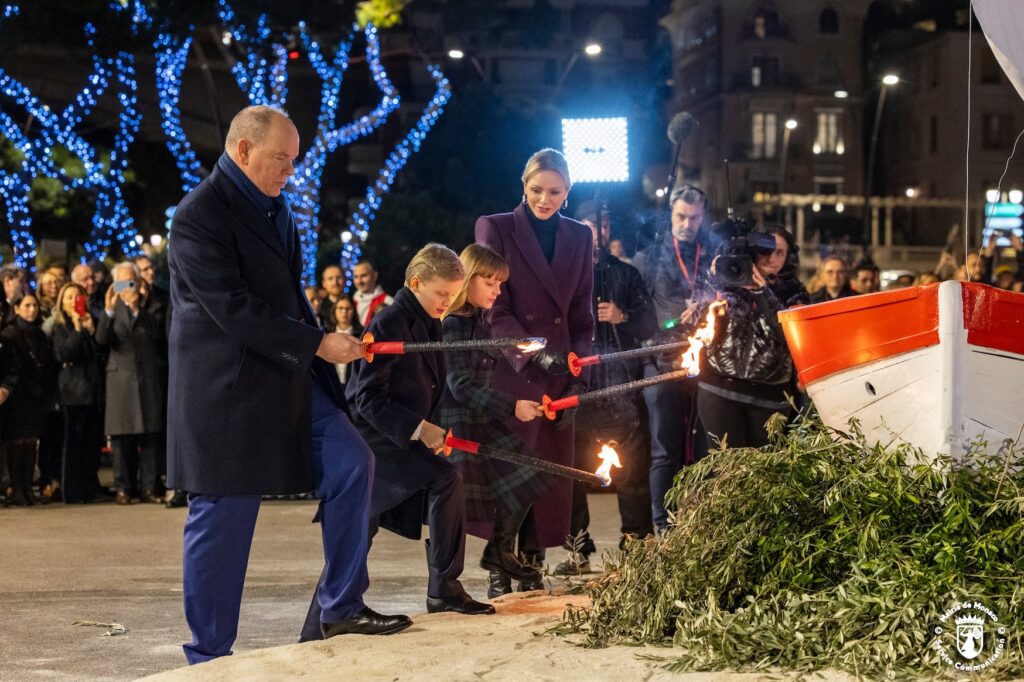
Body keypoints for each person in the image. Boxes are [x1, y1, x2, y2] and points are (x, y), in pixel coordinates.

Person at [168, 105, 409, 664]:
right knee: (224, 516)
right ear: (242, 149)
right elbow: (232, 309)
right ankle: (207, 654)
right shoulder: (198, 215)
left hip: (287, 374)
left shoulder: (277, 209)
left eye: (294, 160)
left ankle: (341, 606)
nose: (289, 171)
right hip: (227, 392)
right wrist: (315, 344)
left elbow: (287, 298)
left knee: (354, 463)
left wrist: (327, 338)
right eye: (281, 158)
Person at [300, 243, 491, 643]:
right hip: (375, 444)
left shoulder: (425, 317)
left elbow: (426, 387)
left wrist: (429, 430)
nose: (448, 302)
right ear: (416, 283)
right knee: (364, 527)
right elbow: (365, 398)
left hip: (397, 440)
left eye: (453, 295)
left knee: (431, 488)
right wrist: (420, 430)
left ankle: (441, 589)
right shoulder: (388, 322)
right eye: (442, 294)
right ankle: (321, 629)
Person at [475, 147, 595, 591]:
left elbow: (583, 313)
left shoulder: (580, 236)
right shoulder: (496, 227)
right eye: (537, 190)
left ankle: (530, 564)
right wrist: (532, 351)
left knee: (547, 472)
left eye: (556, 192)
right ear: (522, 186)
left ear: (568, 192)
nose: (545, 199)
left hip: (561, 372)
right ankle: (498, 569)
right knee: (512, 469)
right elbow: (493, 307)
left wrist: (577, 374)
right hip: (514, 369)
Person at [437, 244, 552, 598]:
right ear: (468, 281)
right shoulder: (455, 323)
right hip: (460, 421)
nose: (497, 291)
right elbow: (459, 385)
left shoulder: (478, 322)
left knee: (528, 470)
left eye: (500, 284)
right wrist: (512, 406)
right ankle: (445, 581)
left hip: (480, 416)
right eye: (490, 283)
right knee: (450, 505)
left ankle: (499, 552)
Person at [553, 200, 657, 575]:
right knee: (573, 471)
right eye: (592, 227)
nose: (600, 233)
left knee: (631, 472)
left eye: (606, 226)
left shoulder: (626, 275)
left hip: (619, 390)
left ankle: (636, 546)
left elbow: (649, 324)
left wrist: (621, 316)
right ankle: (577, 550)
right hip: (576, 387)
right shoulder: (561, 275)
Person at [631, 185, 713, 534]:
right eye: (681, 216)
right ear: (671, 216)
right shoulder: (648, 258)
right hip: (661, 362)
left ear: (702, 217)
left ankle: (696, 524)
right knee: (665, 448)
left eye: (694, 217)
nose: (687, 223)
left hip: (704, 363)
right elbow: (638, 313)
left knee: (702, 447)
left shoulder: (712, 258)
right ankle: (663, 526)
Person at [694, 238, 795, 450]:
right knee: (722, 470)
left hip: (769, 396)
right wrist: (713, 280)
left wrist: (762, 291)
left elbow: (789, 333)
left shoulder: (793, 290)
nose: (770, 258)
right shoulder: (727, 282)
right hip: (718, 387)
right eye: (763, 252)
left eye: (779, 253)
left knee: (762, 474)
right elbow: (698, 323)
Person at [1, 293, 57, 505]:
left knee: (31, 443)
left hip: (36, 396)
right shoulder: (10, 334)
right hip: (17, 396)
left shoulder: (39, 334)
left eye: (34, 305)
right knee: (17, 442)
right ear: (16, 308)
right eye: (26, 305)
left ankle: (26, 487)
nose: (31, 310)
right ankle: (16, 488)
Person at [50, 282, 104, 504]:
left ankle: (89, 485)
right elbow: (64, 353)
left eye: (77, 297)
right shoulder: (60, 327)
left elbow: (101, 351)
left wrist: (91, 331)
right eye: (69, 297)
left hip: (93, 389)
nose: (74, 301)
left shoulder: (92, 322)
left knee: (92, 442)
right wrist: (78, 329)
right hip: (72, 391)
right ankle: (72, 490)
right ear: (62, 302)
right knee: (72, 443)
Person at [352, 260, 393, 328]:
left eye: (363, 276)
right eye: (356, 277)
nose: (359, 281)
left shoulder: (388, 301)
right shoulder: (351, 301)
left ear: (375, 276)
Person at [331, 296, 361, 385]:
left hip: (353, 386)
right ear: (334, 311)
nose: (344, 312)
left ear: (354, 311)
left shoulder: (362, 335)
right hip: (332, 386)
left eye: (348, 309)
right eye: (340, 308)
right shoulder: (326, 333)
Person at [318, 265, 346, 331]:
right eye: (330, 278)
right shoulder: (319, 308)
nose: (335, 282)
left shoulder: (355, 303)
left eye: (338, 277)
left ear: (345, 280)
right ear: (324, 283)